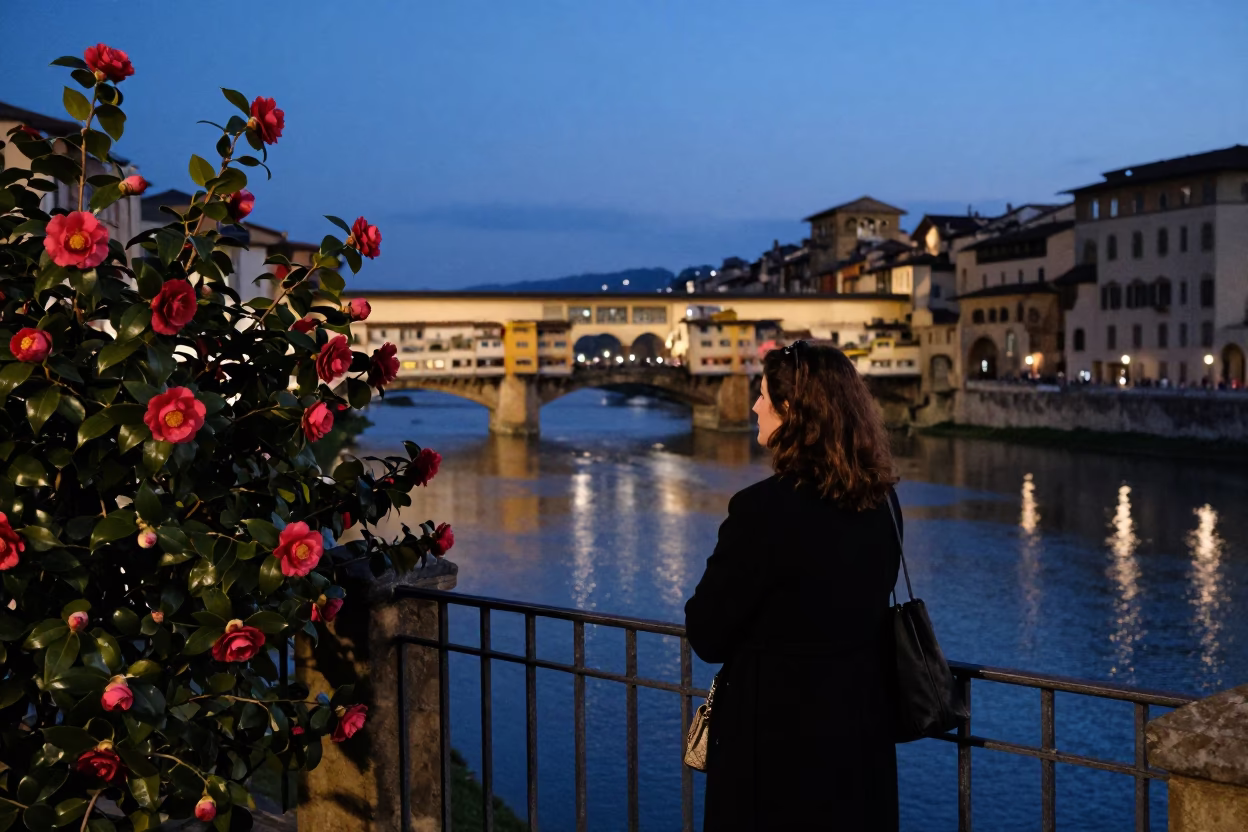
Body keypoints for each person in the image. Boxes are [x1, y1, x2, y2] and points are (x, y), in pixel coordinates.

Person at [684, 341, 901, 831]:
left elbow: (707, 632)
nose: (755, 406)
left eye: (764, 396)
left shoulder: (762, 510)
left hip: (774, 743)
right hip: (860, 736)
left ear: (793, 412)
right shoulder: (883, 504)